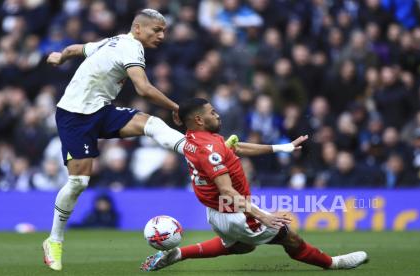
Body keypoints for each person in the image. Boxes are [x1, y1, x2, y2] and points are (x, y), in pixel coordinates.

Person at [42, 9, 236, 271]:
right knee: (79, 182)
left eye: (164, 31)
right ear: (137, 29)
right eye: (156, 30)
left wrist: (60, 56)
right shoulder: (130, 47)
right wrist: (178, 108)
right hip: (74, 116)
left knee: (151, 124)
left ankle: (195, 148)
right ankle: (54, 240)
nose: (162, 35)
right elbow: (143, 88)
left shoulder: (112, 41)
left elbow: (78, 48)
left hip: (100, 110)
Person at [140, 98, 368, 271]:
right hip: (235, 211)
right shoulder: (210, 149)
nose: (218, 115)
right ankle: (333, 263)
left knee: (243, 246)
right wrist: (261, 216)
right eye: (212, 112)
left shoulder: (193, 139)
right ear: (199, 119)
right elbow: (227, 191)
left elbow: (236, 148)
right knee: (290, 237)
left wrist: (282, 147)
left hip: (216, 213)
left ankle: (179, 253)